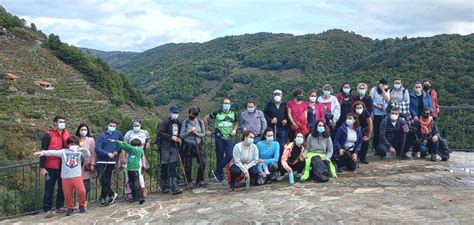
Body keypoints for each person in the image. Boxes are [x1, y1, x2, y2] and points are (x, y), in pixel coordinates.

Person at [34, 136, 90, 216]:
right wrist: (42, 153)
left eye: (74, 144)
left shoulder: (79, 152)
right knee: (67, 194)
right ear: (68, 144)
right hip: (65, 177)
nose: (73, 145)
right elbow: (52, 152)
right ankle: (69, 208)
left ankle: (82, 205)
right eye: (71, 144)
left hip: (77, 176)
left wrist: (81, 149)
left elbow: (88, 154)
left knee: (82, 191)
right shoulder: (63, 152)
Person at [204, 98, 239, 182]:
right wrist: (206, 130)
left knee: (230, 155)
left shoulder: (233, 113)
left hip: (229, 137)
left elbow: (236, 123)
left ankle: (217, 171)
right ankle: (220, 176)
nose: (227, 105)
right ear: (222, 104)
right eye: (225, 103)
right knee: (219, 156)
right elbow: (205, 119)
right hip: (219, 137)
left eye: (228, 103)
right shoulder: (217, 113)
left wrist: (234, 129)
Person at [39, 116, 69, 218]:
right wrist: (42, 167)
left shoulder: (66, 133)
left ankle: (59, 205)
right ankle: (47, 209)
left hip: (63, 166)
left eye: (64, 122)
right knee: (49, 188)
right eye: (61, 122)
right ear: (55, 123)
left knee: (62, 187)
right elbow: (43, 151)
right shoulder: (48, 135)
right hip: (50, 166)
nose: (62, 124)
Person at [95, 118, 124, 206]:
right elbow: (97, 148)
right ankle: (111, 194)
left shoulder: (118, 134)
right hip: (101, 161)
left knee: (107, 179)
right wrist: (107, 153)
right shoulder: (102, 136)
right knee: (102, 178)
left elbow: (121, 144)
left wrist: (116, 151)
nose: (112, 127)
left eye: (114, 126)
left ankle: (104, 198)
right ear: (107, 125)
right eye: (111, 125)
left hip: (111, 161)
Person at [156, 106, 183, 195]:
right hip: (165, 147)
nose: (176, 114)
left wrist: (179, 139)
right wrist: (171, 137)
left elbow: (180, 134)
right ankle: (165, 186)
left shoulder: (179, 123)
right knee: (164, 166)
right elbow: (160, 132)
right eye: (174, 113)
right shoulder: (164, 123)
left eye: (177, 113)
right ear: (170, 113)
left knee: (173, 166)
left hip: (175, 147)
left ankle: (174, 186)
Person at [110, 139, 145, 204]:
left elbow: (129, 147)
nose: (134, 147)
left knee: (137, 184)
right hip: (129, 169)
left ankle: (141, 198)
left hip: (135, 169)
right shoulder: (130, 151)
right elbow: (124, 147)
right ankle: (135, 197)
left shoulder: (138, 151)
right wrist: (117, 143)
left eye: (136, 145)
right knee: (131, 184)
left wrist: (123, 143)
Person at [180, 107, 207, 188]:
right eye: (190, 114)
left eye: (193, 114)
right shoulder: (185, 122)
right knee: (188, 165)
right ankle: (189, 181)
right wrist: (189, 131)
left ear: (196, 115)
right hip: (187, 145)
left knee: (202, 162)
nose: (191, 115)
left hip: (197, 145)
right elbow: (181, 135)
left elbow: (203, 134)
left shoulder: (200, 122)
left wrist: (197, 133)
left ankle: (200, 180)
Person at [122, 119, 151, 196]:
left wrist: (148, 143)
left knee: (139, 173)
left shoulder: (145, 132)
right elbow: (124, 145)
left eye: (137, 125)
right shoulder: (129, 133)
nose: (136, 127)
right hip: (130, 156)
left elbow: (149, 139)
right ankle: (129, 192)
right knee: (128, 175)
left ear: (140, 125)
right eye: (134, 125)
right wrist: (123, 157)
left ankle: (141, 190)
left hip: (140, 155)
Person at [263, 89, 288, 170]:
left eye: (279, 94)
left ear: (281, 96)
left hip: (282, 128)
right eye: (275, 94)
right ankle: (272, 167)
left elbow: (287, 114)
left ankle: (280, 168)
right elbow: (265, 114)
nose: (277, 96)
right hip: (272, 128)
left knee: (281, 147)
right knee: (272, 146)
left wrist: (285, 120)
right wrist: (270, 120)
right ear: (273, 95)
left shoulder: (284, 104)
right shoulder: (269, 104)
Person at [408, 82, 433, 158]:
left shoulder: (426, 95)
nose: (418, 89)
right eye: (416, 87)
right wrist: (414, 115)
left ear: (422, 87)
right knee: (416, 134)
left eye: (419, 87)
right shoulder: (410, 95)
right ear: (413, 87)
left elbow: (429, 105)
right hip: (416, 118)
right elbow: (410, 106)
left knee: (425, 133)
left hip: (425, 117)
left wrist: (429, 113)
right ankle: (415, 151)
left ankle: (424, 151)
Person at [75, 123, 96, 207]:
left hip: (86, 165)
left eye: (85, 130)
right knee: (77, 183)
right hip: (76, 164)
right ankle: (78, 201)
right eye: (82, 130)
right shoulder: (75, 139)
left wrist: (93, 164)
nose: (83, 131)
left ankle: (84, 201)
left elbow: (93, 153)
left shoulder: (90, 140)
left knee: (85, 183)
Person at [370, 78, 390, 154]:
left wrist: (383, 90)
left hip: (384, 114)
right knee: (377, 131)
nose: (384, 86)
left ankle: (383, 147)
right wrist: (378, 107)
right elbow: (371, 101)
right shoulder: (374, 90)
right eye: (383, 84)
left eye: (385, 85)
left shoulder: (387, 90)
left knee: (383, 131)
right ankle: (376, 148)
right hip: (376, 114)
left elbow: (387, 99)